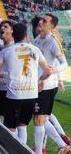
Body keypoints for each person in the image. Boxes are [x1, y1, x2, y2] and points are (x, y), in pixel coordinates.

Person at [0, 23, 53, 145]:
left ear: (13, 34)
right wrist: (39, 80)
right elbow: (48, 71)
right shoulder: (35, 50)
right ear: (26, 35)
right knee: (22, 126)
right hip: (31, 95)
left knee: (11, 128)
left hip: (14, 95)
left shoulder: (7, 51)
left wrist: (0, 73)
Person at [33, 13, 70, 154]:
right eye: (41, 19)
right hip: (37, 84)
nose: (41, 22)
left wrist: (53, 72)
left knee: (39, 119)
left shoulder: (53, 42)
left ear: (51, 26)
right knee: (40, 118)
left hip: (47, 86)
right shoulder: (37, 39)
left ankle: (43, 149)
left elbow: (64, 63)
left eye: (44, 20)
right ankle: (59, 145)